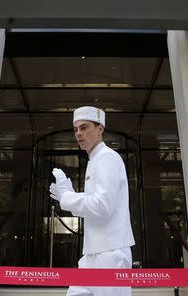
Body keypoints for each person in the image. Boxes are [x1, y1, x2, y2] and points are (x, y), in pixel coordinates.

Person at [49, 106, 135, 296]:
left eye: (84, 127)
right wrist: (70, 196)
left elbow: (102, 206)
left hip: (110, 253)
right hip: (93, 253)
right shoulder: (96, 160)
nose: (78, 133)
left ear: (100, 128)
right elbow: (96, 205)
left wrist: (67, 198)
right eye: (76, 129)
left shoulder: (107, 158)